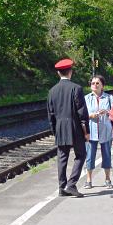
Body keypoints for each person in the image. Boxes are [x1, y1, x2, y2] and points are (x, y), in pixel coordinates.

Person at [47, 58, 90, 198]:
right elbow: (82, 112)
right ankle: (71, 184)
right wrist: (86, 131)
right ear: (70, 72)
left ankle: (61, 187)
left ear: (58, 73)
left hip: (60, 127)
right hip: (75, 126)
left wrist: (54, 130)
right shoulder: (76, 88)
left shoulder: (52, 91)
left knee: (62, 157)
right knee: (81, 154)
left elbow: (51, 114)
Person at [84, 75, 113, 189]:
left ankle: (107, 178)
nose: (95, 85)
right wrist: (89, 115)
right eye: (93, 83)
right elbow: (81, 114)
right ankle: (88, 179)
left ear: (102, 86)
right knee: (90, 156)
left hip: (105, 130)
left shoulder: (109, 97)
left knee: (107, 155)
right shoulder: (86, 98)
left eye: (97, 83)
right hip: (91, 131)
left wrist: (107, 112)